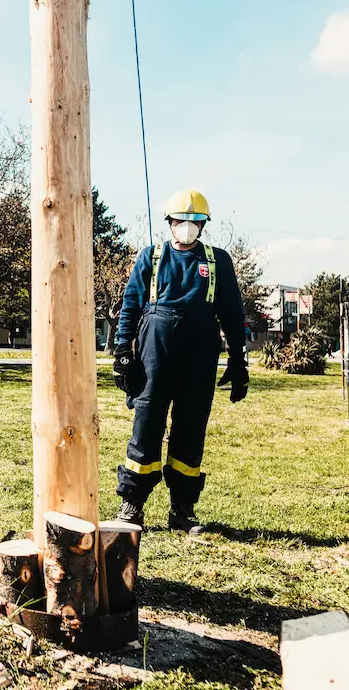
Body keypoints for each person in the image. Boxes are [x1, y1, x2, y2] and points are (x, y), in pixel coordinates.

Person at [111, 189, 248, 535]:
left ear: (203, 225)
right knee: (147, 423)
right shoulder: (150, 257)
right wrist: (123, 352)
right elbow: (130, 305)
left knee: (190, 427)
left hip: (200, 352)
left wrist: (238, 359)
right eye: (181, 221)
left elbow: (232, 313)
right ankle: (132, 505)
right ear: (170, 223)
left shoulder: (218, 261)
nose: (187, 227)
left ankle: (182, 509)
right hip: (155, 350)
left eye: (195, 222)